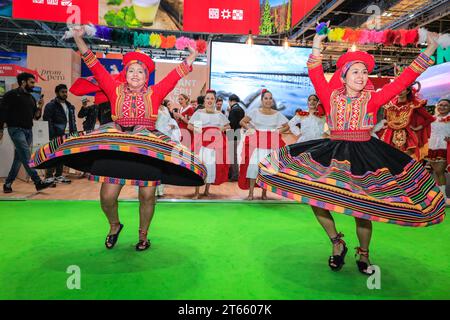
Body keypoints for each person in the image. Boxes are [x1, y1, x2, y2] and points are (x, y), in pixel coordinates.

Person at [256, 31, 445, 275]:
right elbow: (315, 73)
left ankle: (363, 253)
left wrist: (429, 50)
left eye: (364, 72)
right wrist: (315, 45)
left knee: (362, 208)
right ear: (344, 76)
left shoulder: (373, 99)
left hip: (364, 156)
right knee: (315, 196)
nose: (361, 75)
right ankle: (337, 242)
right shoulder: (330, 96)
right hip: (333, 151)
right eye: (355, 71)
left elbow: (403, 80)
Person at [29, 25, 206, 251]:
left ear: (146, 76)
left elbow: (177, 73)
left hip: (146, 149)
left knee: (147, 196)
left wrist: (193, 53)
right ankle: (114, 226)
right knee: (107, 197)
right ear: (126, 73)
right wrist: (78, 38)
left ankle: (143, 236)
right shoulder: (115, 89)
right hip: (116, 145)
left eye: (140, 71)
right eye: (131, 70)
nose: (135, 75)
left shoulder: (156, 92)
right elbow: (91, 61)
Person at [0, 73, 54, 193]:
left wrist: (40, 106)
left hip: (29, 130)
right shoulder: (11, 95)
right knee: (26, 156)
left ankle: (7, 184)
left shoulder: (31, 98)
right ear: (23, 82)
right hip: (15, 129)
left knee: (19, 159)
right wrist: (0, 129)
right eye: (31, 82)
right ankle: (38, 182)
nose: (33, 85)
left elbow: (36, 116)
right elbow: (2, 112)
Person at [239, 89, 289, 200]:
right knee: (253, 167)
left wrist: (277, 132)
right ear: (262, 100)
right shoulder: (255, 112)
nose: (268, 100)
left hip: (271, 144)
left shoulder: (277, 114)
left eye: (270, 98)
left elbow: (287, 126)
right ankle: (250, 193)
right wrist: (250, 129)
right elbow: (242, 122)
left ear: (272, 101)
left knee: (267, 169)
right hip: (257, 143)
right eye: (266, 98)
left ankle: (264, 193)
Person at [189, 90, 231, 199]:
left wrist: (222, 128)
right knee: (199, 165)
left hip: (215, 144)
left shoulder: (219, 114)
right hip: (201, 143)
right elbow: (190, 126)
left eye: (212, 98)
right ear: (204, 100)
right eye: (208, 98)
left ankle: (207, 190)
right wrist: (198, 130)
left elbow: (228, 126)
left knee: (211, 166)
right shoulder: (199, 113)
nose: (210, 100)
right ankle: (197, 192)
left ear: (215, 100)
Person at [377, 82, 434, 161]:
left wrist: (417, 128)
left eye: (402, 90)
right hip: (389, 135)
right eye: (397, 89)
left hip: (408, 136)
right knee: (390, 160)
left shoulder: (414, 105)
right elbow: (385, 118)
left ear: (407, 91)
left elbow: (430, 118)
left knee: (407, 160)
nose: (399, 92)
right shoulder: (388, 105)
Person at [43, 84, 77, 184]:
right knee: (53, 156)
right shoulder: (51, 105)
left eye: (66, 92)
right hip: (56, 134)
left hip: (67, 134)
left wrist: (74, 133)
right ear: (57, 93)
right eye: (63, 92)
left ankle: (58, 175)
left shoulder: (70, 106)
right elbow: (47, 120)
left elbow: (73, 121)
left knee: (62, 156)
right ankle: (48, 177)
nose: (65, 94)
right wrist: (51, 134)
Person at [155, 99, 181, 197]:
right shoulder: (152, 107)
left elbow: (170, 121)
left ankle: (160, 190)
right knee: (155, 163)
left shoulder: (165, 108)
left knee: (163, 163)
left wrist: (172, 125)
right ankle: (153, 190)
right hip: (155, 137)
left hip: (166, 137)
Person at [427, 98, 450, 202]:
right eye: (440, 105)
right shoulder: (432, 118)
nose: (442, 107)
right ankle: (439, 195)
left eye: (446, 105)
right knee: (436, 172)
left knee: (440, 171)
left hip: (444, 146)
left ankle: (443, 196)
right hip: (432, 146)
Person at [227, 94, 245, 181]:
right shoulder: (241, 109)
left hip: (232, 133)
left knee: (232, 155)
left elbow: (231, 124)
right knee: (233, 154)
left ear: (230, 101)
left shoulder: (233, 110)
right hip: (238, 132)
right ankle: (233, 174)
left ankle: (235, 175)